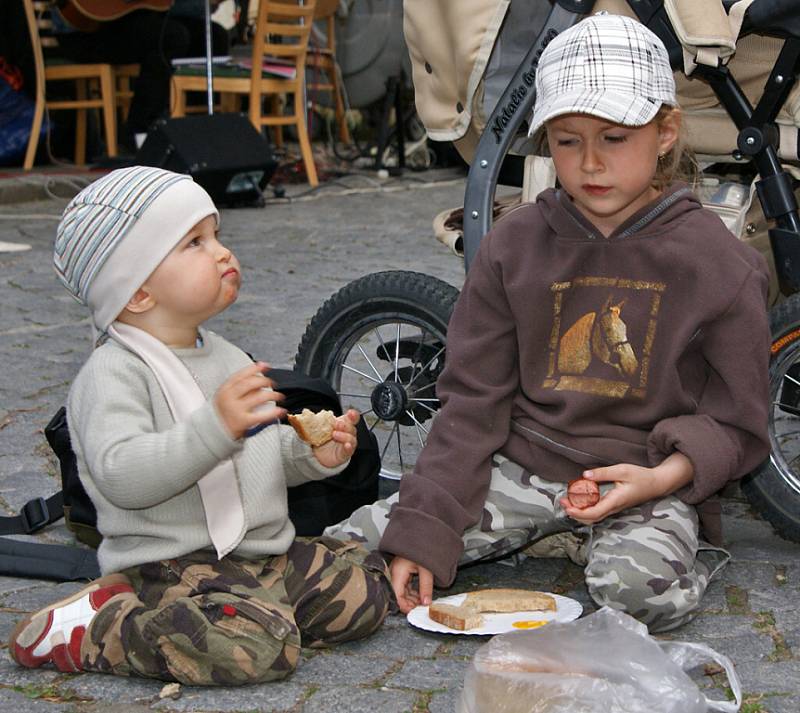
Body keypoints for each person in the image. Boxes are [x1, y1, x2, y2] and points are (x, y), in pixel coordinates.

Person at [325, 13, 771, 633]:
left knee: (642, 596)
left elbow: (738, 424)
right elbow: (472, 400)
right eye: (566, 141)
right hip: (519, 468)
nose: (590, 163)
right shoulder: (515, 245)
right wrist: (424, 527)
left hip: (641, 479)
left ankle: (654, 542)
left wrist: (660, 479)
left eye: (614, 137)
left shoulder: (722, 265)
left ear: (666, 131)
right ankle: (546, 534)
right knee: (355, 545)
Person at [8, 165, 393, 684]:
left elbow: (256, 456)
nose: (221, 253)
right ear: (139, 292)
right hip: (171, 563)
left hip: (255, 553)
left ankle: (261, 610)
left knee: (365, 599)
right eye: (194, 242)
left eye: (217, 236)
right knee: (254, 652)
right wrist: (213, 428)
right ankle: (102, 627)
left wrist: (308, 456)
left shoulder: (227, 356)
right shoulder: (112, 374)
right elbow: (122, 476)